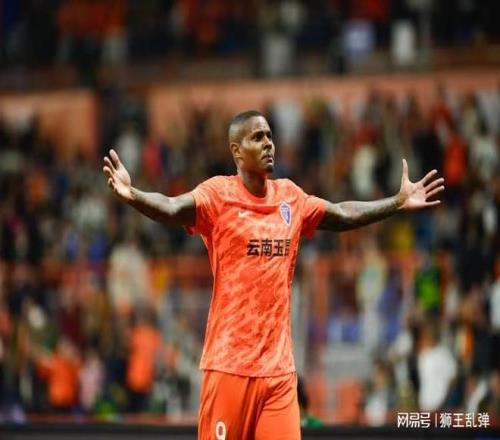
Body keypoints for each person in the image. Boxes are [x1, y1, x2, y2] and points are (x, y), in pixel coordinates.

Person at [103, 110, 445, 439]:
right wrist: (133, 195)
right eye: (257, 137)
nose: (268, 143)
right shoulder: (218, 195)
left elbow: (341, 213)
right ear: (237, 151)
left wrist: (396, 202)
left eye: (269, 136)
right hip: (229, 367)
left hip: (278, 373)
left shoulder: (290, 197)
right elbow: (172, 206)